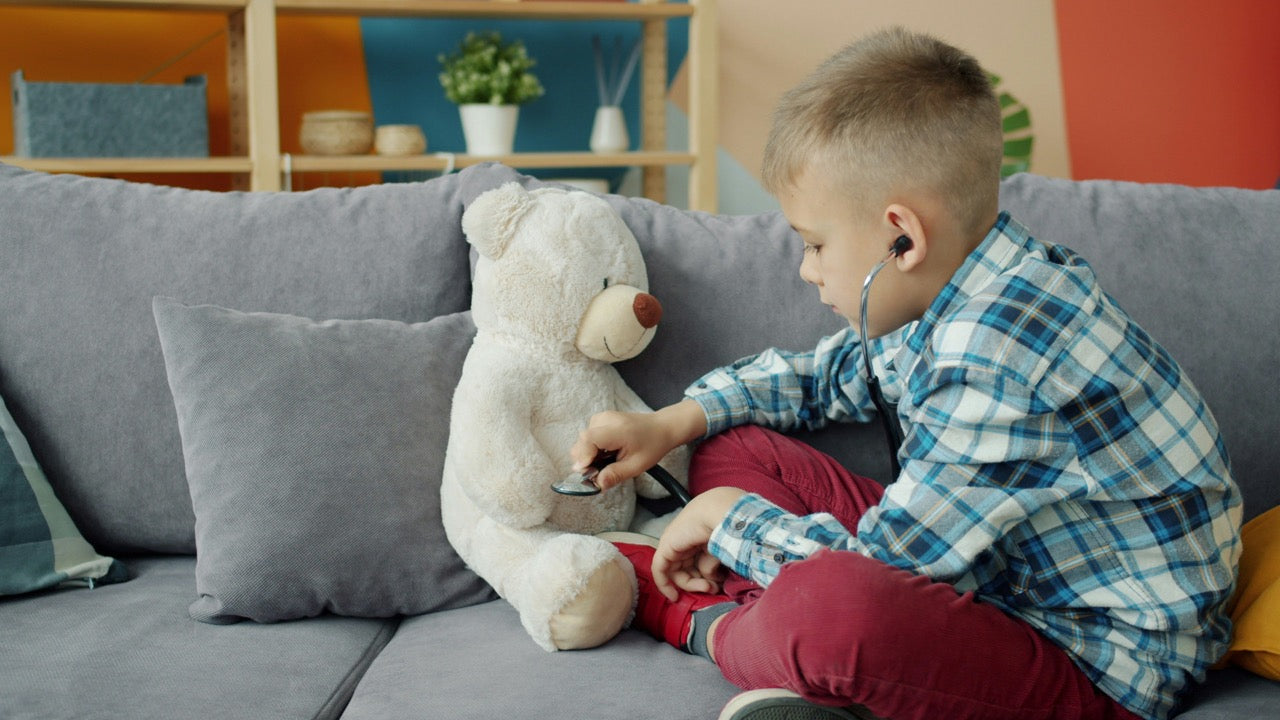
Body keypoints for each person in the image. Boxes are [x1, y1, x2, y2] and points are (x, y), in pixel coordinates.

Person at [570, 26, 1241, 720]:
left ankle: (703, 625)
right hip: (999, 577)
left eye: (816, 244)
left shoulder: (999, 354)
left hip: (1099, 668)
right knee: (735, 446)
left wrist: (728, 522)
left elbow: (888, 569)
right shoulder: (970, 285)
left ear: (902, 238)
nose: (807, 270)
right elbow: (823, 378)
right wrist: (670, 422)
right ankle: (797, 650)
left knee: (834, 615)